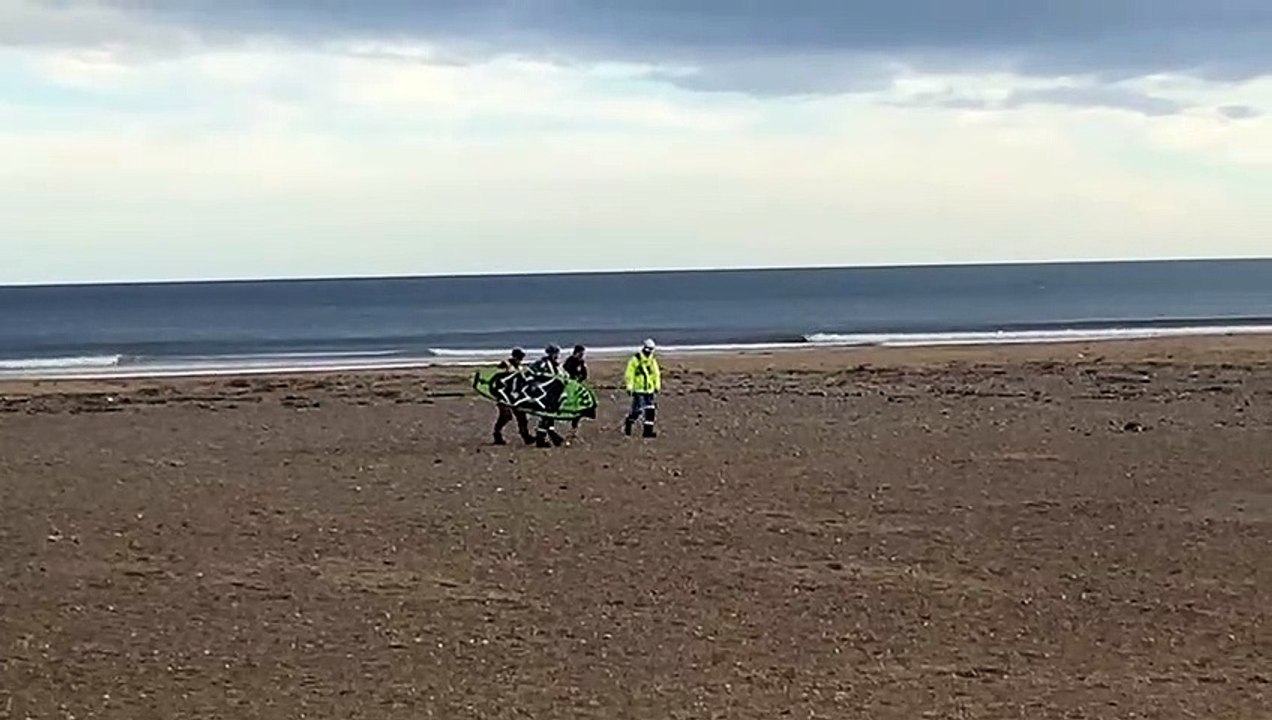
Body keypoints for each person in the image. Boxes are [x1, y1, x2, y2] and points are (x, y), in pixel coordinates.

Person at [492, 347, 533, 446]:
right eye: (519, 357)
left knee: (522, 417)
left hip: (516, 397)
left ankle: (526, 436)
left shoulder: (520, 368)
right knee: (505, 416)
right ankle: (497, 434)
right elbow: (496, 377)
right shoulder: (506, 365)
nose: (520, 360)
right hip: (504, 396)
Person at [530, 344, 567, 448]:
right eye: (555, 354)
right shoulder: (543, 364)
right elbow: (533, 374)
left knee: (549, 417)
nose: (556, 356)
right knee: (546, 416)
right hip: (545, 394)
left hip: (554, 394)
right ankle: (541, 439)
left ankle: (549, 436)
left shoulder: (555, 365)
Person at [624, 338, 661, 438]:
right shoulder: (635, 359)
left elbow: (655, 373)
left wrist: (657, 385)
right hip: (638, 389)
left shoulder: (652, 360)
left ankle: (648, 432)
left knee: (650, 411)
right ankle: (629, 422)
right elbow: (629, 374)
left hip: (649, 389)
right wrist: (629, 387)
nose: (649, 351)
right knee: (638, 410)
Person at [563, 345, 588, 430]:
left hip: (578, 384)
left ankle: (575, 423)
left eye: (582, 353)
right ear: (576, 352)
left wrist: (581, 377)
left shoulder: (581, 362)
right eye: (580, 353)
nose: (582, 355)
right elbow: (566, 370)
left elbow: (584, 374)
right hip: (569, 385)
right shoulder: (570, 361)